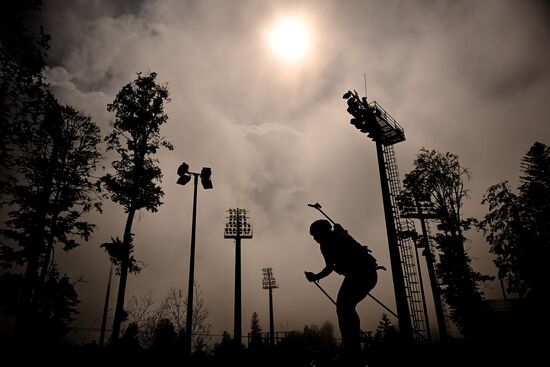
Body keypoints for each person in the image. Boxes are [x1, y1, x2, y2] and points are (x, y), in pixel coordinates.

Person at [305, 219, 378, 367]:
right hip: (365, 274)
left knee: (344, 307)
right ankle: (353, 350)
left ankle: (353, 352)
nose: (315, 239)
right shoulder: (339, 236)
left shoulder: (330, 242)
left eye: (316, 235)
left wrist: (316, 277)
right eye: (313, 236)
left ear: (323, 232)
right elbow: (331, 265)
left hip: (360, 274)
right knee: (345, 307)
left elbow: (329, 267)